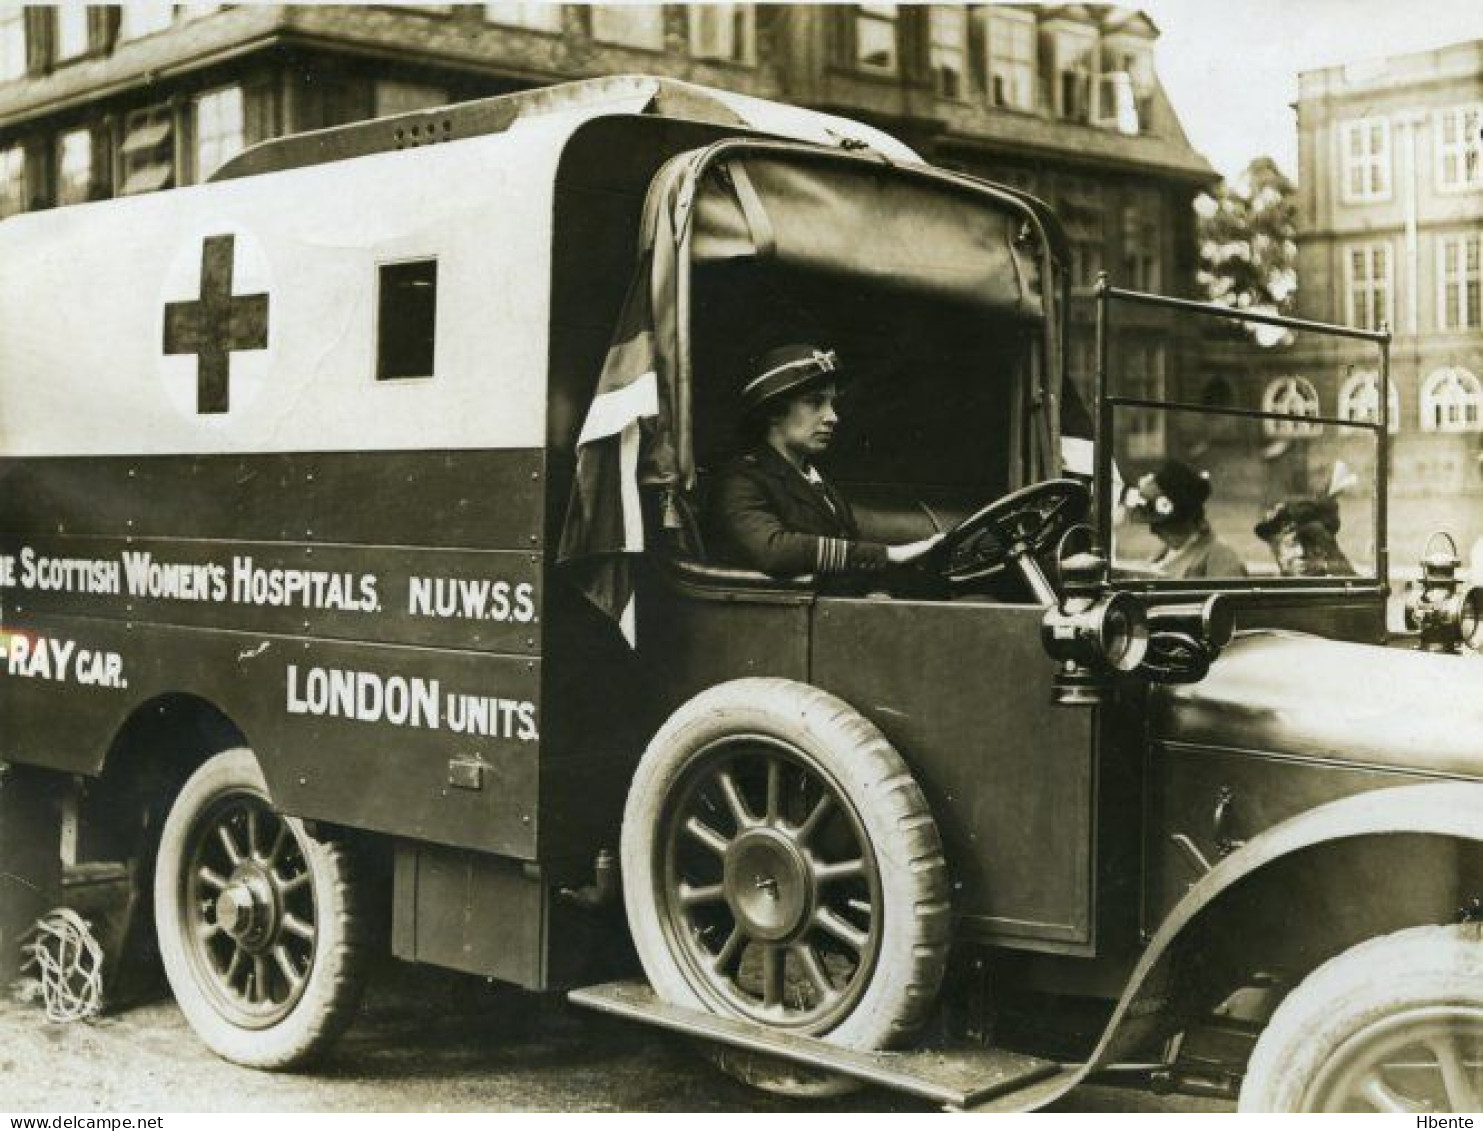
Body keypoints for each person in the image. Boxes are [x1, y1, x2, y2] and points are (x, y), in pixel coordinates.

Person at [710, 343, 943, 578]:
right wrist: (888, 554)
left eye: (832, 403)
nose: (833, 417)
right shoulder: (741, 481)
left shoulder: (816, 483)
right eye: (815, 402)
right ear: (774, 411)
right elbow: (773, 551)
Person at [1124, 459, 1246, 579]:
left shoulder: (1220, 557)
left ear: (1188, 521)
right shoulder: (1165, 553)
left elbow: (1227, 597)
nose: (1154, 531)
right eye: (1152, 524)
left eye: (1165, 524)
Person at [1254, 496, 1355, 577]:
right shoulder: (1265, 592)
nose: (1302, 552)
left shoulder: (1345, 588)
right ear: (1274, 549)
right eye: (1293, 543)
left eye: (1312, 543)